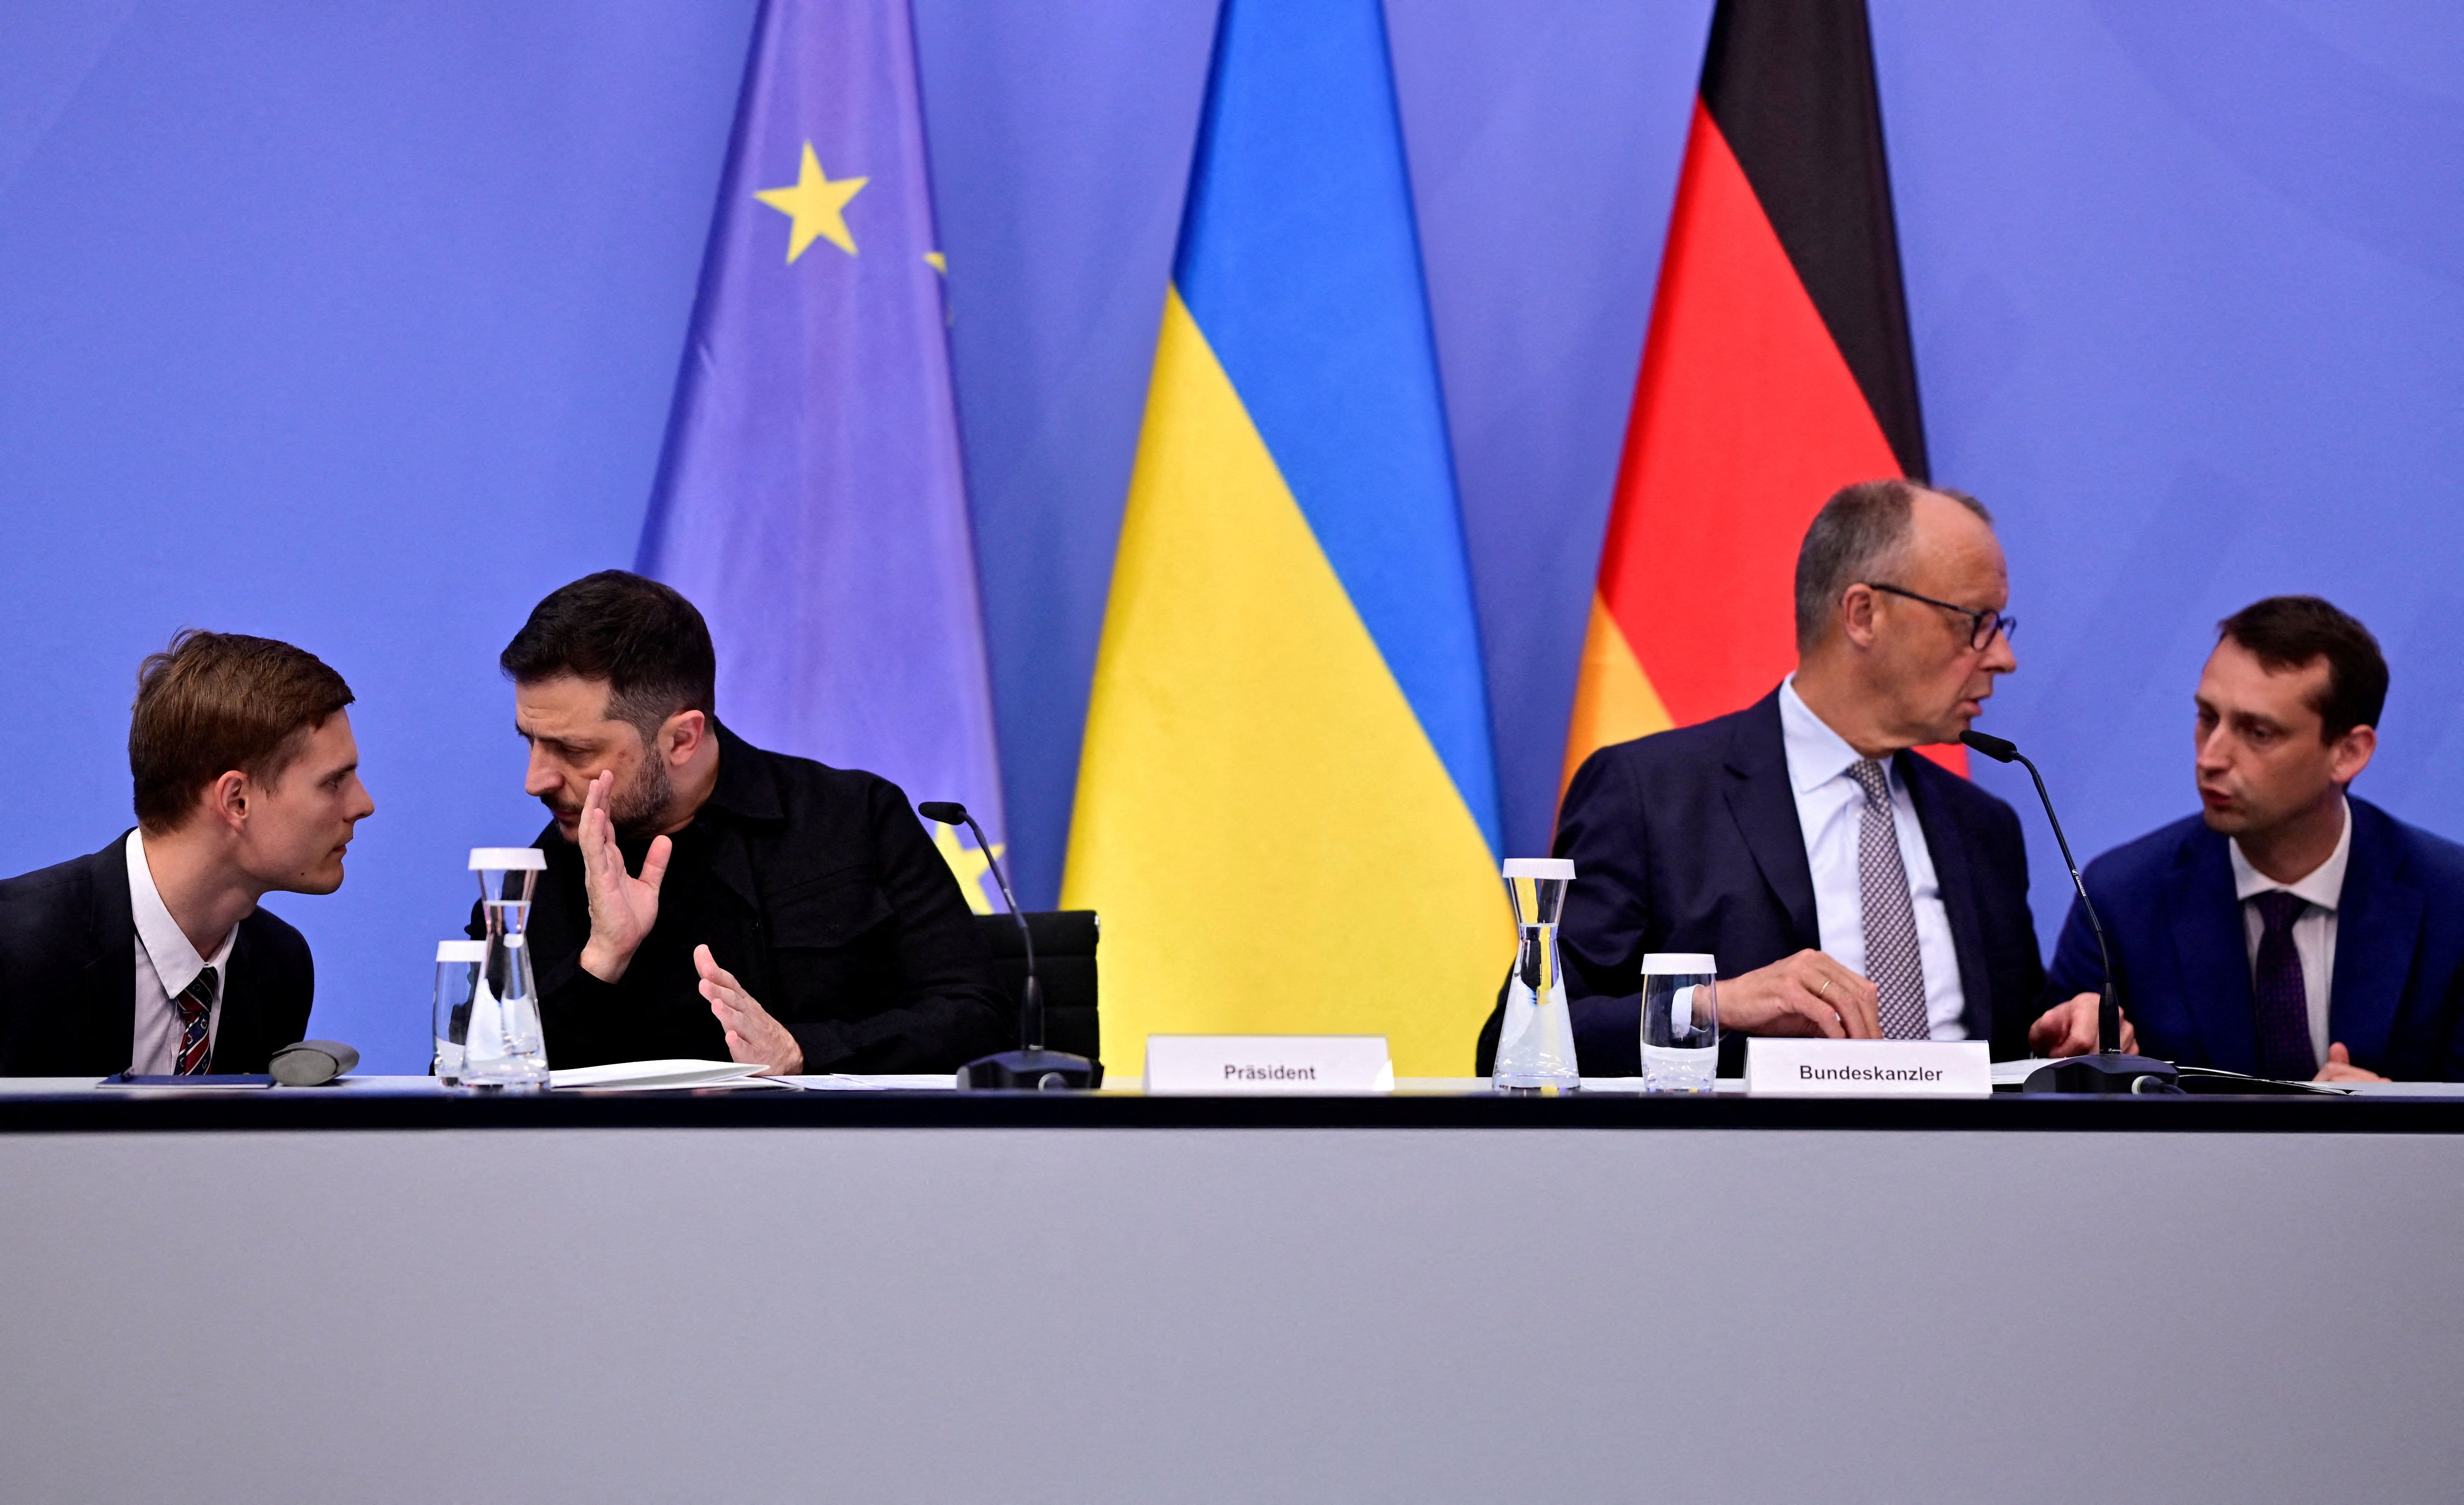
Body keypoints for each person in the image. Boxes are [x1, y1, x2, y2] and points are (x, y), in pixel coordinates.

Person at [1481, 479, 2110, 1075]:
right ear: (1863, 614)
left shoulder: (1984, 828)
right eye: (1975, 622)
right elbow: (1517, 1038)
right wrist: (1711, 1005)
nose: (2004, 657)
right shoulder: (1652, 797)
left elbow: (2009, 1048)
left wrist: (2061, 1038)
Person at [490, 570, 1012, 1073]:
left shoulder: (855, 819)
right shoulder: (534, 879)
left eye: (574, 750)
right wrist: (601, 959)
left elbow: (979, 1020)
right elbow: (486, 1070)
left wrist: (803, 1052)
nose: (536, 781)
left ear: (682, 739)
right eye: (530, 741)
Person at [2049, 597, 2464, 1083]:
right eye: (2208, 718)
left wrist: (2402, 1114)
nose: (2212, 758)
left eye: (2260, 733)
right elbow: (2057, 1098)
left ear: (2349, 753)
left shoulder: (2451, 902)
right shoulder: (2120, 900)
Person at [0, 632, 372, 1076]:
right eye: (334, 781)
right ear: (237, 801)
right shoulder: (14, 949)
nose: (363, 805)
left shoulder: (280, 966)